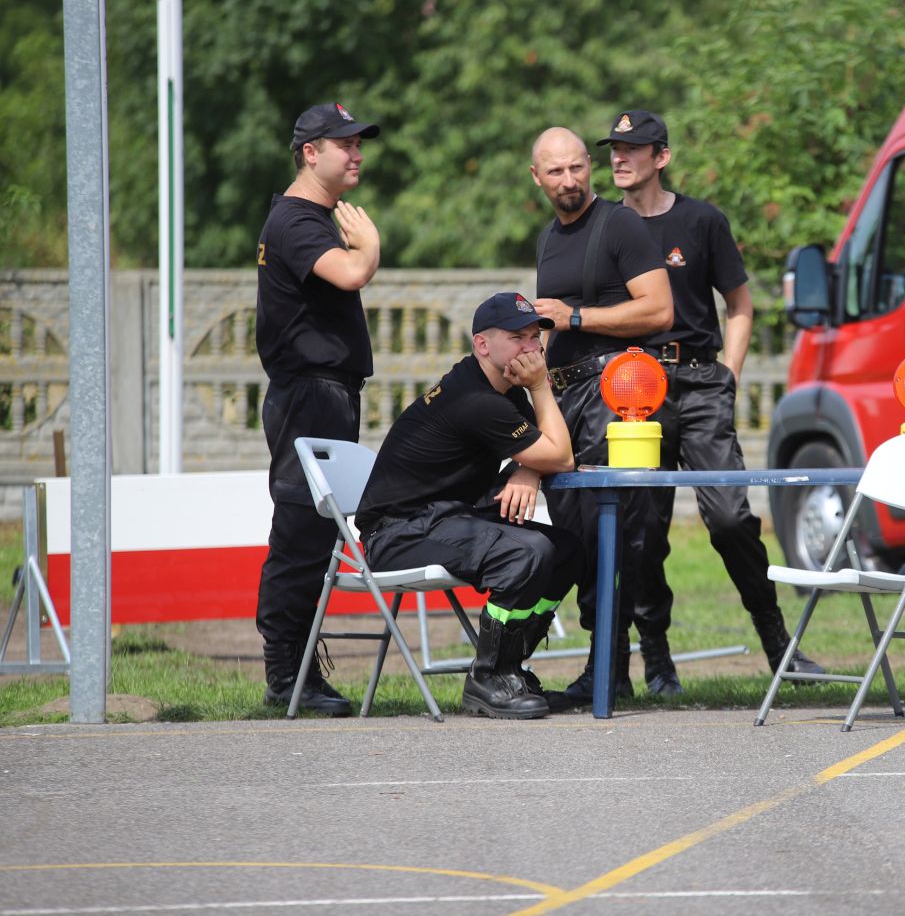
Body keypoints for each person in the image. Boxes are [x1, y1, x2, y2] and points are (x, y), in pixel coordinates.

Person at [599, 109, 824, 694]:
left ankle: (782, 648)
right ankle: (656, 661)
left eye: (633, 148)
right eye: (614, 149)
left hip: (700, 384)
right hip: (634, 391)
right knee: (640, 530)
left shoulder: (702, 221)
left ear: (661, 157)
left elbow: (740, 304)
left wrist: (729, 373)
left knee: (729, 517)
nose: (620, 158)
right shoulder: (602, 227)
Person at [355, 292, 581, 719]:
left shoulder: (501, 389)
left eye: (536, 337)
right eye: (518, 338)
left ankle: (511, 667)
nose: (532, 349)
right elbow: (562, 456)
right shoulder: (476, 399)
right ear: (482, 345)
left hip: (446, 518)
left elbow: (548, 450)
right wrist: (539, 387)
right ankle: (488, 677)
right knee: (528, 552)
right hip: (398, 532)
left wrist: (527, 469)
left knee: (568, 549)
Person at [527, 126, 674, 707]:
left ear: (589, 166)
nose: (569, 180)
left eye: (576, 168)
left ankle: (610, 668)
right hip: (560, 398)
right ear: (536, 178)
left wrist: (577, 318)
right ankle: (606, 667)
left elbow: (660, 309)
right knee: (576, 538)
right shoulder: (547, 238)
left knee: (610, 535)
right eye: (555, 172)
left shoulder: (621, 225)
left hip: (610, 397)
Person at [254, 102, 382, 716]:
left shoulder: (311, 216)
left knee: (316, 532)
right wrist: (372, 246)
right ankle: (287, 675)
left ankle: (300, 666)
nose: (356, 153)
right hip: (308, 396)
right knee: (300, 530)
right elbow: (352, 273)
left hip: (324, 394)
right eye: (345, 144)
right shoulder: (299, 219)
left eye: (360, 143)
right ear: (311, 152)